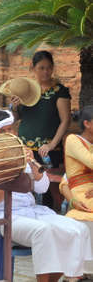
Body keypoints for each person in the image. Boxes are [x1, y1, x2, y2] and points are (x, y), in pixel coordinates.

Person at [0, 109, 92, 282]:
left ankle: (64, 278)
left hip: (32, 212)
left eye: (11, 129)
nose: (11, 135)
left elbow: (42, 188)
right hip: (2, 218)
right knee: (44, 231)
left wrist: (33, 166)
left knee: (78, 229)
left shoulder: (19, 154)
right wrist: (12, 177)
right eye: (4, 132)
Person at [7, 51, 71, 208]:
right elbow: (16, 119)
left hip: (47, 151)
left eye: (49, 67)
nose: (46, 72)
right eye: (41, 68)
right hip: (24, 149)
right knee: (23, 186)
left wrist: (51, 145)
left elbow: (65, 121)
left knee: (46, 189)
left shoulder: (59, 91)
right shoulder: (26, 89)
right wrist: (14, 107)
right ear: (33, 68)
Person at [59, 105, 93, 279]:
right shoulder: (73, 140)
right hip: (81, 193)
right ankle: (74, 272)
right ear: (87, 123)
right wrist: (72, 200)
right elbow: (66, 181)